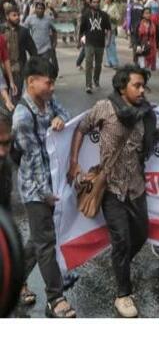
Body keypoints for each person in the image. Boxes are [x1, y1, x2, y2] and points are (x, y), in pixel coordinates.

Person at [67, 65, 159, 317]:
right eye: (136, 85)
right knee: (122, 240)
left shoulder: (146, 113)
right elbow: (82, 128)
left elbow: (145, 147)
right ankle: (123, 294)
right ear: (121, 87)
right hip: (112, 187)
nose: (141, 90)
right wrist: (74, 162)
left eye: (143, 86)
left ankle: (120, 262)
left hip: (136, 186)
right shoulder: (105, 107)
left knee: (140, 235)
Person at [12, 57, 76, 317]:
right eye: (48, 82)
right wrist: (46, 195)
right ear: (31, 82)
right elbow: (33, 159)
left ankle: (13, 279)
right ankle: (55, 297)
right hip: (35, 188)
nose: (52, 87)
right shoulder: (22, 117)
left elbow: (67, 115)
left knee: (37, 240)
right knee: (46, 241)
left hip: (52, 182)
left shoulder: (47, 102)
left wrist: (60, 119)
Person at [79, 0, 111, 93]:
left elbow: (109, 29)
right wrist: (79, 41)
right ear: (90, 3)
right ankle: (88, 85)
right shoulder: (86, 15)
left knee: (98, 64)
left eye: (97, 2)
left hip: (100, 43)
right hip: (89, 42)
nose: (96, 4)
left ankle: (96, 79)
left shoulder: (104, 15)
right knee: (88, 63)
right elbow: (81, 29)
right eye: (94, 2)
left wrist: (108, 41)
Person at [4, 6, 37, 101]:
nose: (17, 17)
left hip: (19, 68)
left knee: (16, 96)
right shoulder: (2, 30)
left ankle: (15, 114)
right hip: (3, 69)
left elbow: (33, 50)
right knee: (4, 96)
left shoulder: (24, 32)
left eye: (18, 15)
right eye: (14, 15)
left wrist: (34, 67)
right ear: (7, 17)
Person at [24, 2, 58, 79]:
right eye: (38, 8)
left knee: (44, 65)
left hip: (46, 47)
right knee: (35, 66)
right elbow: (24, 30)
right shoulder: (30, 19)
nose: (40, 10)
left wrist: (55, 42)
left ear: (44, 10)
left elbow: (54, 30)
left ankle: (44, 82)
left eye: (41, 8)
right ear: (35, 9)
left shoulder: (48, 19)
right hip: (34, 47)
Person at [102, 0, 123, 69]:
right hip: (105, 29)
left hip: (111, 29)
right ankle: (109, 62)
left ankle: (114, 62)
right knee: (107, 45)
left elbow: (118, 17)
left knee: (112, 45)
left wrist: (110, 17)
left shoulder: (114, 7)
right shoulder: (105, 6)